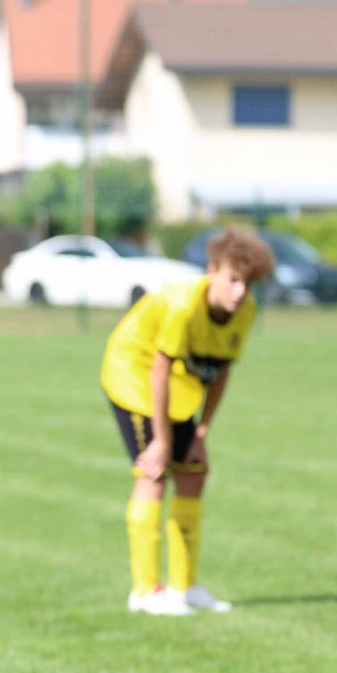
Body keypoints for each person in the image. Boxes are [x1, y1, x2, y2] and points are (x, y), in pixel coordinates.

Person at [102, 227, 274, 617]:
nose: (240, 292)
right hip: (134, 372)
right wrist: (162, 442)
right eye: (232, 279)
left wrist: (201, 433)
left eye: (248, 284)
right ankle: (145, 591)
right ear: (212, 270)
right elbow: (158, 371)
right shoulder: (182, 306)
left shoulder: (245, 311)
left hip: (177, 382)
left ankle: (185, 587)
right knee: (154, 472)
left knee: (194, 472)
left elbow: (221, 370)